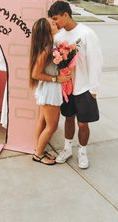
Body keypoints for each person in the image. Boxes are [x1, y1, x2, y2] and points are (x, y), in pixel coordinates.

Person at [48, 0, 103, 169]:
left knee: (83, 123)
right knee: (69, 119)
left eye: (56, 18)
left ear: (66, 14)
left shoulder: (87, 33)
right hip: (67, 88)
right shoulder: (58, 38)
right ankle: (67, 149)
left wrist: (93, 88)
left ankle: (82, 152)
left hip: (84, 87)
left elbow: (96, 61)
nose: (55, 23)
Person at [29, 17, 71, 165]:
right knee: (52, 126)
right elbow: (35, 74)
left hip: (47, 88)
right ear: (48, 31)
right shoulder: (47, 49)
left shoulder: (51, 45)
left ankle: (38, 149)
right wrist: (56, 79)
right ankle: (38, 154)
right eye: (52, 24)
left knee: (42, 120)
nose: (56, 24)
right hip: (49, 90)